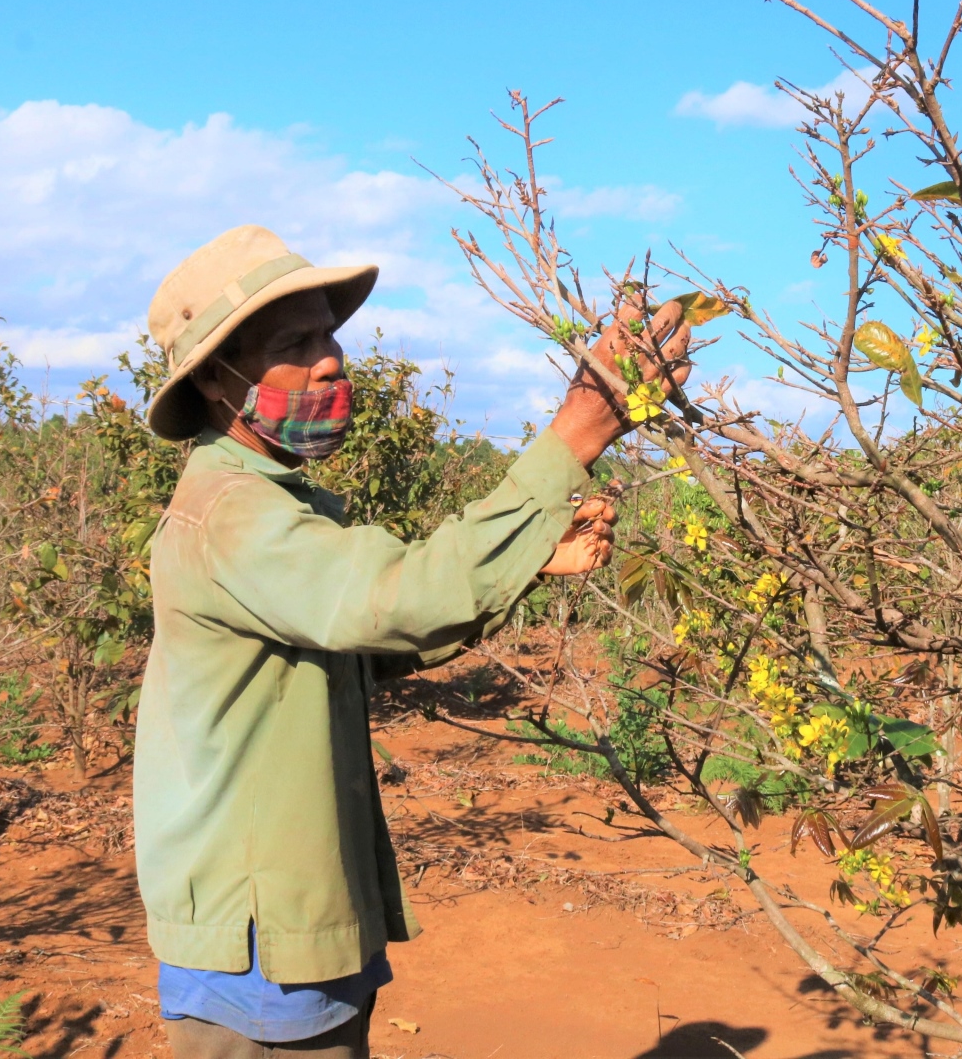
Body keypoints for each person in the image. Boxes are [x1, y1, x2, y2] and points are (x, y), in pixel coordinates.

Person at [132, 225, 690, 1059]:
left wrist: (530, 562)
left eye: (329, 334)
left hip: (295, 918)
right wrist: (575, 434)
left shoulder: (280, 505)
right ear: (217, 378)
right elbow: (398, 599)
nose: (330, 360)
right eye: (296, 343)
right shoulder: (234, 516)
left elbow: (370, 645)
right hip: (260, 943)